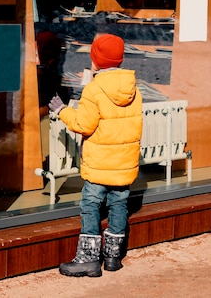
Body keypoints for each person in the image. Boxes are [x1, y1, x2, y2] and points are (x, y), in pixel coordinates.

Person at [48, 33, 143, 277]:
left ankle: (88, 259)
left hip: (99, 163)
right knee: (119, 204)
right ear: (120, 60)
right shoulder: (133, 89)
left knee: (91, 205)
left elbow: (84, 125)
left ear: (96, 60)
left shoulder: (94, 89)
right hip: (123, 162)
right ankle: (113, 257)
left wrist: (62, 111)